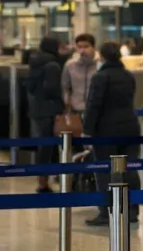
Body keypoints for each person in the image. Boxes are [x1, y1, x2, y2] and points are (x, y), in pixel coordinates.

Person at [83, 42, 141, 226]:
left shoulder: (100, 77)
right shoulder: (128, 75)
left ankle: (106, 211)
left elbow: (94, 105)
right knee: (130, 168)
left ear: (102, 56)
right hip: (131, 126)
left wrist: (87, 130)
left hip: (106, 129)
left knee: (105, 171)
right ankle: (132, 210)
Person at [26, 36, 64, 193]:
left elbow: (29, 86)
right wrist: (60, 101)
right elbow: (52, 88)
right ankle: (44, 183)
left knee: (43, 146)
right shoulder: (53, 65)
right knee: (48, 147)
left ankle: (42, 180)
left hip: (36, 108)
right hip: (50, 109)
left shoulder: (34, 63)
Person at [62, 33, 98, 122]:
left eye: (86, 47)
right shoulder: (70, 65)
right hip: (76, 110)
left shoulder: (100, 64)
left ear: (94, 47)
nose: (82, 50)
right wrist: (67, 104)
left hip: (97, 110)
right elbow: (65, 86)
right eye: (79, 47)